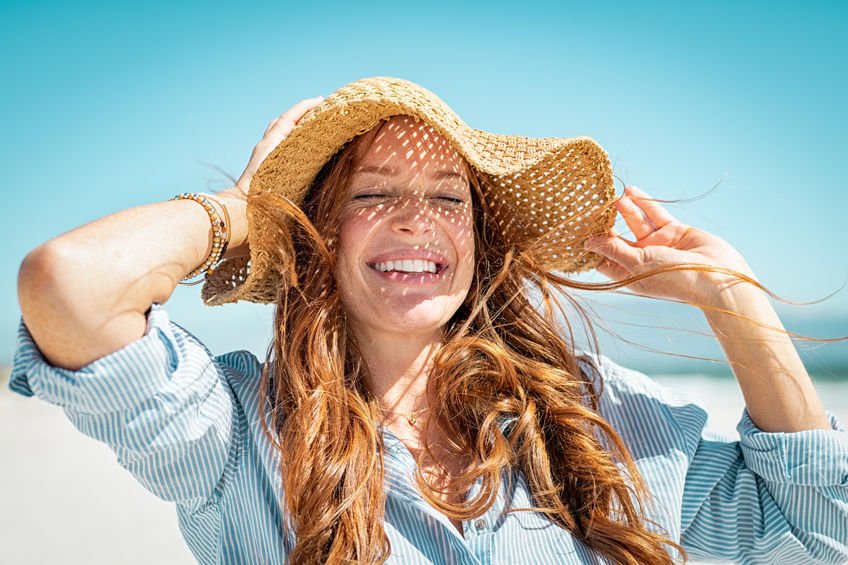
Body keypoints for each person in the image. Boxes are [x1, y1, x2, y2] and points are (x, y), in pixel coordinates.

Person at [11, 77, 848, 565]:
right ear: (319, 237)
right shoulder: (237, 433)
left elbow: (818, 534)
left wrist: (736, 303)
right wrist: (245, 205)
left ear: (478, 245)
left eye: (449, 198)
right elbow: (71, 286)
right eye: (373, 194)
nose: (417, 220)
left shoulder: (594, 418)